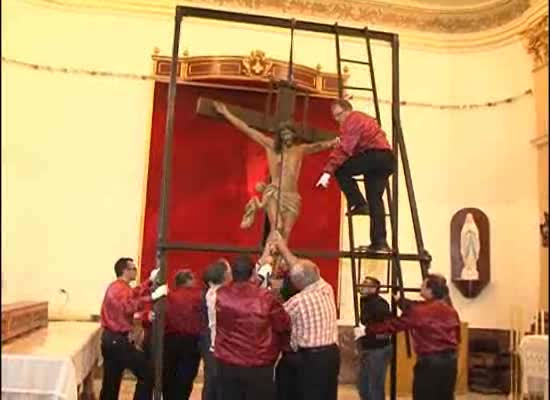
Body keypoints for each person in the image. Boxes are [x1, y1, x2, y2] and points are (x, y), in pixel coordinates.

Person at [213, 101, 339, 241]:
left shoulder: (299, 149)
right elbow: (247, 129)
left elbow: (318, 146)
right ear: (280, 136)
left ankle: (278, 262)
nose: (287, 137)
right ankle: (267, 260)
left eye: (289, 133)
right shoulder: (271, 146)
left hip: (292, 196)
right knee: (277, 227)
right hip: (275, 192)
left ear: (293, 134)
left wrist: (333, 142)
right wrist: (227, 114)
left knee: (286, 232)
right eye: (284, 134)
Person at [315, 99, 394, 253]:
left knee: (341, 169)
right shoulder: (363, 119)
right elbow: (357, 144)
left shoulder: (352, 119)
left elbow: (345, 149)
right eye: (335, 117)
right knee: (375, 201)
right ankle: (380, 242)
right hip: (386, 159)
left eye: (339, 115)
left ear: (347, 109)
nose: (337, 119)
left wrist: (327, 171)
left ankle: (358, 203)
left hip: (375, 156)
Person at [365, 274, 461, 400]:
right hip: (450, 363)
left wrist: (367, 330)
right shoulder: (450, 310)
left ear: (430, 290)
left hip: (429, 364)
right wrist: (400, 300)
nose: (420, 287)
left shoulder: (421, 311)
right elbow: (458, 336)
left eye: (423, 285)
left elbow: (395, 325)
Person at [271, 234, 340, 400]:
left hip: (308, 359)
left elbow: (273, 318)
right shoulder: (326, 288)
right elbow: (301, 269)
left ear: (295, 283)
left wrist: (270, 289)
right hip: (331, 356)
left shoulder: (296, 302)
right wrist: (282, 246)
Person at [214, 255, 291, 400]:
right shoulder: (266, 298)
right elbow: (283, 325)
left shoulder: (221, 295)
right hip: (259, 364)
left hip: (226, 362)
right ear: (253, 274)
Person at [99, 257, 167, 400]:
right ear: (125, 271)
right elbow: (129, 306)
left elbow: (133, 294)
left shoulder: (119, 287)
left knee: (111, 382)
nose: (136, 270)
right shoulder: (118, 289)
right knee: (147, 373)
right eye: (133, 268)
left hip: (111, 339)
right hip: (117, 341)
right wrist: (153, 296)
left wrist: (149, 281)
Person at [163, 269, 203, 400]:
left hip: (169, 341)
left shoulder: (168, 296)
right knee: (185, 379)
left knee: (169, 376)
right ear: (188, 280)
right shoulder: (199, 296)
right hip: (191, 342)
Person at [199, 259, 232, 400]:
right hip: (216, 344)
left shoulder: (210, 292)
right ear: (224, 276)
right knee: (215, 382)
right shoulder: (219, 295)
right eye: (229, 272)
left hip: (212, 343)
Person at [356, 276, 392, 400]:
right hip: (369, 347)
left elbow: (386, 327)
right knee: (363, 385)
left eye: (365, 284)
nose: (361, 285)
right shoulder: (366, 301)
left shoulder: (379, 304)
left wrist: (368, 332)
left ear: (374, 288)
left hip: (378, 349)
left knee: (374, 387)